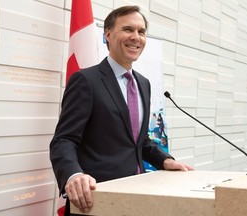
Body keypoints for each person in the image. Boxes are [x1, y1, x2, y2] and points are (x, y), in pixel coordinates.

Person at [50, 5, 194, 216]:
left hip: (137, 196)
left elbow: (139, 139)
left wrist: (165, 160)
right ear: (107, 34)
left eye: (141, 31)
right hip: (97, 200)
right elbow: (64, 140)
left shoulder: (143, 83)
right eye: (128, 29)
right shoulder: (86, 81)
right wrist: (73, 175)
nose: (136, 37)